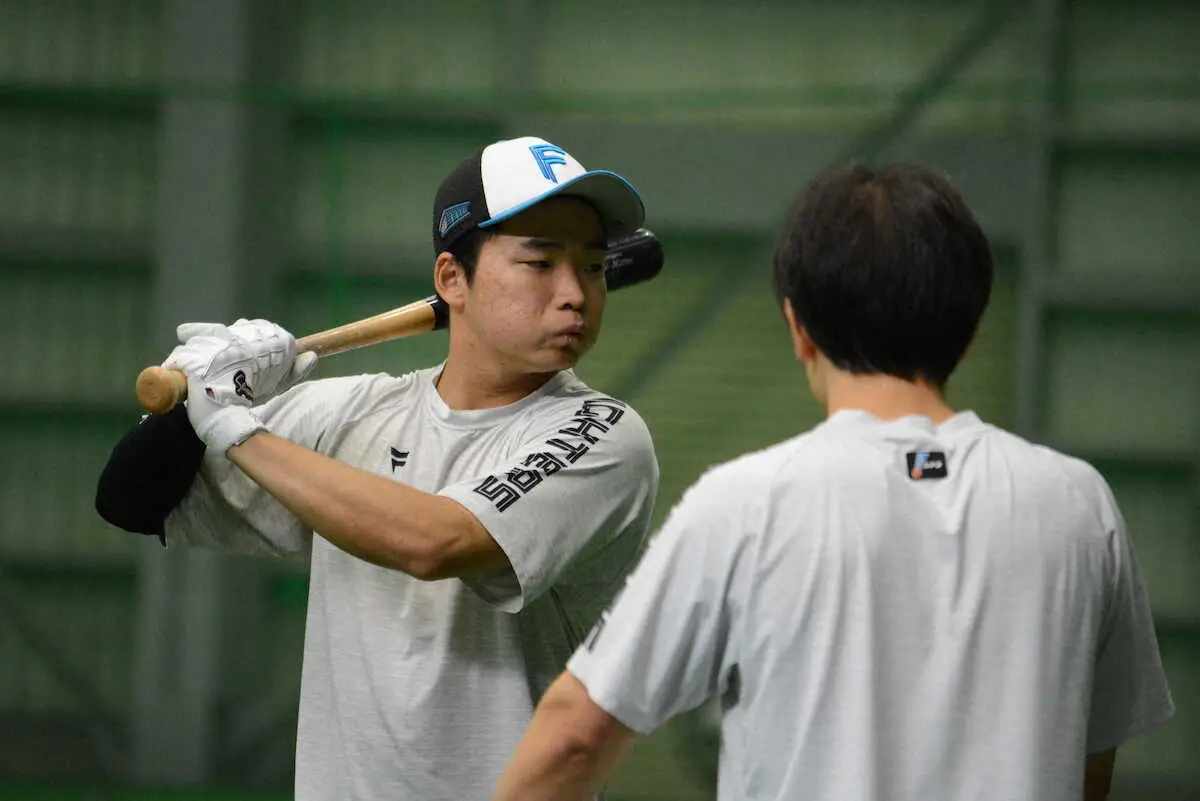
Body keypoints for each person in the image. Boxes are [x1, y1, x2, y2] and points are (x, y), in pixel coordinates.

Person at [492, 163, 1175, 801]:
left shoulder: (745, 505)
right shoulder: (1080, 504)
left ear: (799, 327)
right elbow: (1087, 759)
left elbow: (576, 736)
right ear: (967, 332)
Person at [95, 136, 660, 800]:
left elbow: (436, 540)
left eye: (592, 268)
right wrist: (195, 402)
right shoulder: (356, 412)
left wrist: (229, 422)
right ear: (453, 279)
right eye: (540, 261)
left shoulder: (603, 435)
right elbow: (131, 498)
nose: (575, 294)